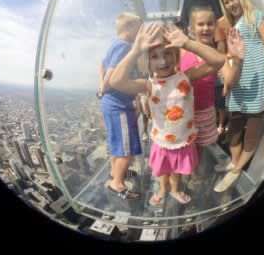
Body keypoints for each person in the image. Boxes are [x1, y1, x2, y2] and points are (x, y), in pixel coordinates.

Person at [110, 22, 244, 206]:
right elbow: (116, 82)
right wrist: (135, 50)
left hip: (183, 140)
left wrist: (187, 43)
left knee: (177, 171)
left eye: (167, 53)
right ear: (147, 61)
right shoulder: (149, 84)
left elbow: (218, 61)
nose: (162, 61)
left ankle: (174, 190)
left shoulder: (186, 76)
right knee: (163, 171)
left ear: (176, 55)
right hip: (162, 142)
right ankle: (163, 190)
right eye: (154, 56)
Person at [213, 0, 264, 193]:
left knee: (251, 133)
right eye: (227, 1)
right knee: (233, 131)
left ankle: (236, 171)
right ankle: (235, 161)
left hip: (258, 85)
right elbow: (233, 56)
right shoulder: (234, 26)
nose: (231, 3)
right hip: (241, 86)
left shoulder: (256, 17)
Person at [179, 6, 244, 161]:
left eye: (210, 24)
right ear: (191, 28)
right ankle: (186, 173)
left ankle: (196, 172)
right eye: (201, 24)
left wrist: (238, 60)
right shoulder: (183, 50)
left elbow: (230, 80)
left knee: (200, 146)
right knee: (182, 146)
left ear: (215, 27)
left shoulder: (217, 54)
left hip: (204, 112)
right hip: (182, 110)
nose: (206, 28)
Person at [99, 12, 144, 200]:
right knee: (127, 148)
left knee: (115, 142)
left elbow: (101, 65)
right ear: (129, 28)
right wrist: (103, 87)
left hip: (111, 104)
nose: (141, 32)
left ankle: (114, 172)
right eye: (139, 27)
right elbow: (111, 71)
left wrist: (102, 88)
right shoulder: (125, 46)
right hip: (119, 105)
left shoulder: (114, 45)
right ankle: (117, 184)